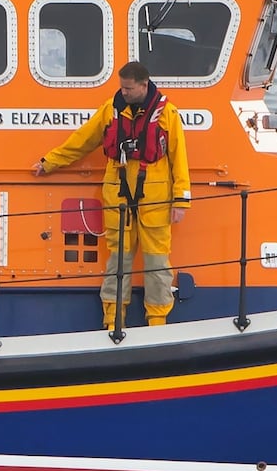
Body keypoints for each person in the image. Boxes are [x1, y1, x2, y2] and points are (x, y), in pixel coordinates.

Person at [33, 61, 191, 328]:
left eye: (129, 89)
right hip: (117, 195)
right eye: (122, 88)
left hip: (154, 200)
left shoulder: (167, 114)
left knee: (157, 262)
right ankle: (113, 319)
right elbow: (81, 141)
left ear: (144, 84)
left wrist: (181, 200)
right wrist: (49, 162)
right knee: (118, 261)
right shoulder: (111, 110)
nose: (124, 93)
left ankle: (157, 320)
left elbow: (179, 159)